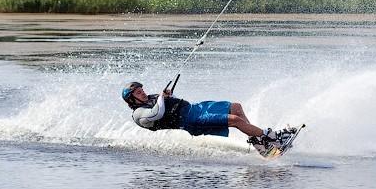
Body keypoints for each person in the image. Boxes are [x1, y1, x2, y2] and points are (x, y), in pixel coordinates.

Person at [121, 81, 286, 149]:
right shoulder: (138, 114)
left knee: (236, 107)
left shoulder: (152, 98)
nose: (143, 93)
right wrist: (162, 98)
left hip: (195, 108)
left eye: (142, 90)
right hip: (191, 121)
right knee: (235, 120)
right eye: (138, 92)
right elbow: (157, 113)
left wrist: (168, 96)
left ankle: (258, 140)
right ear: (132, 99)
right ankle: (270, 136)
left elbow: (166, 103)